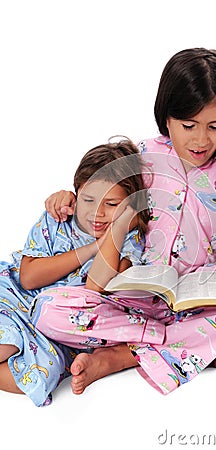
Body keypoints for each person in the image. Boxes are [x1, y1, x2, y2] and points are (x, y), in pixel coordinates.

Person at [42, 47, 216, 397]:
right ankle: (192, 347)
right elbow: (99, 194)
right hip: (128, 303)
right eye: (189, 126)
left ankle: (123, 355)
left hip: (195, 308)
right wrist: (67, 198)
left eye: (215, 126)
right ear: (166, 116)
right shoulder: (140, 156)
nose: (201, 140)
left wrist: (212, 287)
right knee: (51, 310)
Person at [0, 138, 149, 406]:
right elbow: (29, 278)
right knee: (5, 343)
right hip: (14, 297)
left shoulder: (128, 239)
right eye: (88, 199)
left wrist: (117, 230)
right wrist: (94, 246)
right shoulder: (59, 219)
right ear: (76, 192)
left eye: (112, 204)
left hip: (57, 327)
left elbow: (98, 284)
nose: (97, 213)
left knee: (42, 376)